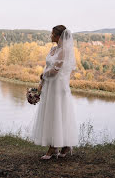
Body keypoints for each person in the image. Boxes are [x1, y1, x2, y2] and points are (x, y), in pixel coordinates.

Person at [32, 25, 79, 159]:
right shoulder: (53, 49)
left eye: (52, 34)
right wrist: (41, 83)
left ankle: (53, 148)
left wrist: (44, 76)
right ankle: (63, 145)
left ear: (58, 36)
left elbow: (54, 71)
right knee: (51, 113)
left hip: (58, 87)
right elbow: (48, 67)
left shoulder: (63, 51)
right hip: (49, 86)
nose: (50, 36)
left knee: (57, 113)